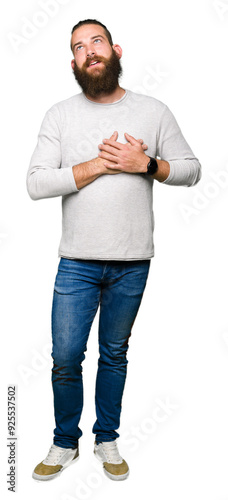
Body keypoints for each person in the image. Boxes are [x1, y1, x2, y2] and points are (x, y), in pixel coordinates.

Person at [27, 19, 201, 482]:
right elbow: (36, 182)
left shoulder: (154, 109)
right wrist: (96, 166)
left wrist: (144, 163)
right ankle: (66, 442)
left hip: (132, 263)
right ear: (74, 63)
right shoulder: (59, 114)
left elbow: (192, 170)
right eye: (79, 47)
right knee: (65, 356)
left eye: (96, 41)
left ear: (115, 49)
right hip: (76, 263)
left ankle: (107, 438)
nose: (89, 51)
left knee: (114, 353)